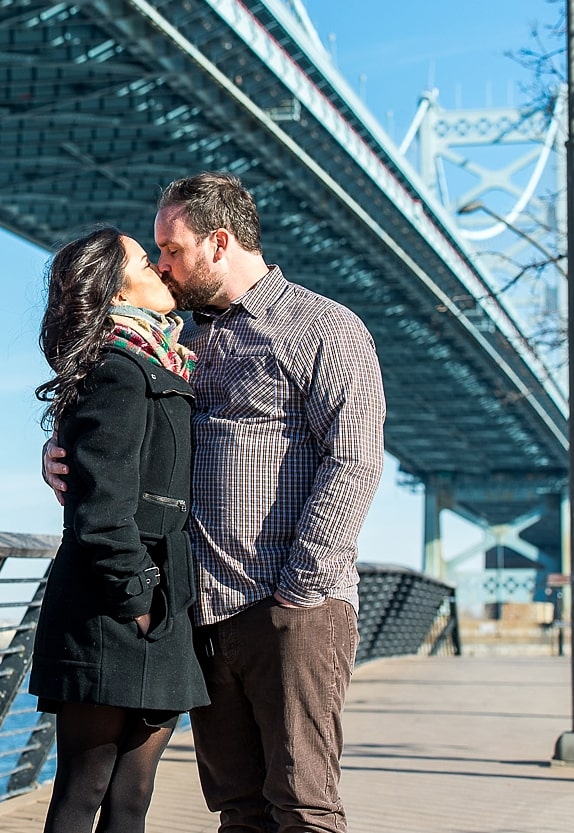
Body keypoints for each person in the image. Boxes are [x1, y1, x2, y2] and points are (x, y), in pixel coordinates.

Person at [43, 173, 386, 833]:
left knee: (304, 807)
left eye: (171, 248)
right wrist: (57, 453)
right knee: (239, 809)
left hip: (290, 609)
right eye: (156, 253)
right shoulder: (178, 342)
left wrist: (299, 588)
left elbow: (355, 460)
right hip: (199, 614)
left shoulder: (324, 327)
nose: (163, 263)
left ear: (219, 242)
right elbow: (115, 430)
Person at [29, 226, 210, 833]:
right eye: (143, 259)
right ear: (112, 290)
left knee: (133, 798)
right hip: (114, 605)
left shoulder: (165, 359)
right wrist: (137, 602)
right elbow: (101, 509)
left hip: (163, 601)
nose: (161, 267)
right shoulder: (117, 368)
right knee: (83, 794)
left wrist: (160, 606)